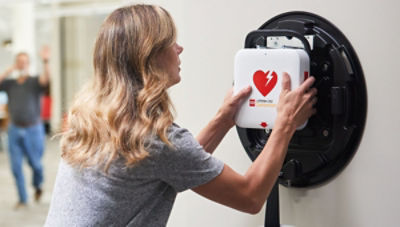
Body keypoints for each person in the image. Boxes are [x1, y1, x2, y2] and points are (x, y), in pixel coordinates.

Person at [45, 4, 317, 226]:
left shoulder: (94, 118)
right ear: (149, 56)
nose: (179, 48)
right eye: (170, 42)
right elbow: (250, 197)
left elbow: (175, 163)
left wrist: (223, 118)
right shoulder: (151, 138)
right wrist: (285, 124)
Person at [0, 47, 50, 208]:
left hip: (33, 129)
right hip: (14, 129)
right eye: (19, 62)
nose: (22, 64)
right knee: (15, 167)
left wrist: (45, 62)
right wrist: (10, 69)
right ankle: (22, 199)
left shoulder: (34, 81)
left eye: (24, 62)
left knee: (36, 164)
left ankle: (37, 186)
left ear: (29, 64)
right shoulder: (10, 83)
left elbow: (46, 80)